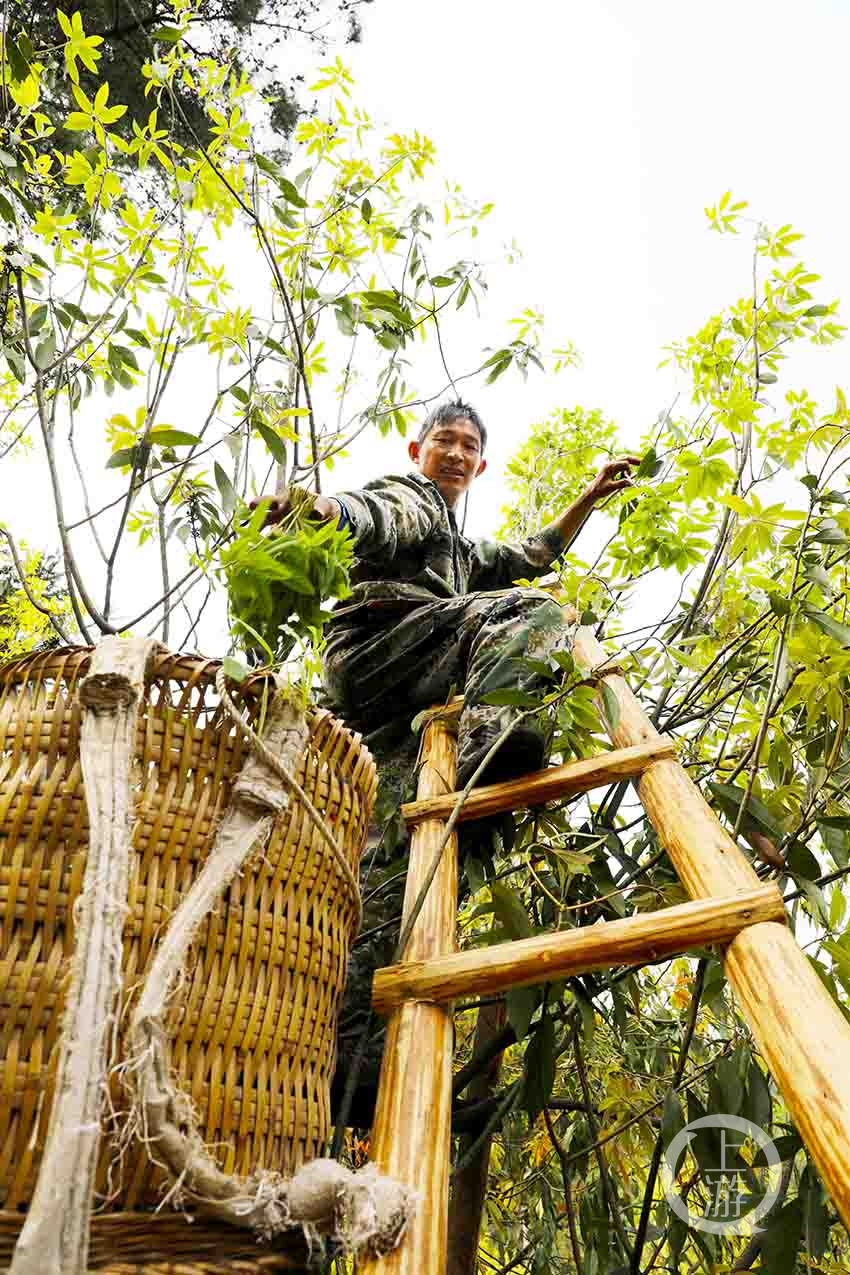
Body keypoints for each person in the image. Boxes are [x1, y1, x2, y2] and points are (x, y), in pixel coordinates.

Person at [257, 400, 639, 790]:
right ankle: (491, 739)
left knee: (403, 798)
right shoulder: (416, 494)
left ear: (480, 466)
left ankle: (481, 762)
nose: (457, 454)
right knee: (533, 609)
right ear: (415, 451)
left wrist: (589, 495)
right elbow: (384, 512)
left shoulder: (462, 555)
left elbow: (529, 558)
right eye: (444, 440)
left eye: (469, 447)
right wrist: (326, 508)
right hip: (373, 645)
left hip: (400, 677)